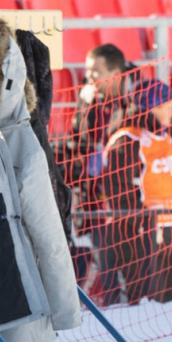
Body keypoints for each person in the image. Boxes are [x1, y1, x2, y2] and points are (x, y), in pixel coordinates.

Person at [102, 79, 172, 304]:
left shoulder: (166, 136)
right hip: (141, 235)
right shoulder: (127, 140)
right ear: (154, 107)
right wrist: (140, 222)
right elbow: (117, 191)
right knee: (146, 302)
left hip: (170, 227)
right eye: (170, 106)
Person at [59, 44, 130, 299]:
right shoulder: (89, 100)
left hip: (131, 195)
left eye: (95, 71)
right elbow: (78, 142)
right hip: (97, 195)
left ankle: (132, 303)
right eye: (87, 70)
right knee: (104, 256)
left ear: (115, 74)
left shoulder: (138, 96)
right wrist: (85, 107)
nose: (88, 77)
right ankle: (112, 303)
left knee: (135, 263)